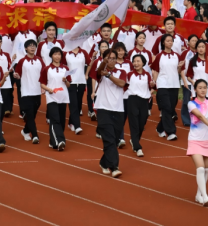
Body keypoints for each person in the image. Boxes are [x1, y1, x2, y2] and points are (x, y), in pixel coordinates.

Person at [90, 48, 128, 178]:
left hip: (118, 110)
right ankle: (114, 167)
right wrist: (103, 63)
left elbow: (121, 83)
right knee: (109, 139)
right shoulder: (101, 71)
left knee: (115, 140)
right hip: (103, 109)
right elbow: (99, 72)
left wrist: (109, 76)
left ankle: (103, 162)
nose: (111, 61)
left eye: (113, 58)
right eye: (109, 58)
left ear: (116, 60)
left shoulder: (121, 72)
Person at [187, 79, 208, 206]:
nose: (203, 90)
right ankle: (205, 196)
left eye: (205, 87)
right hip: (195, 139)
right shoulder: (191, 104)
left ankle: (199, 195)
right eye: (200, 87)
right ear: (195, 89)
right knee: (200, 168)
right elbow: (199, 116)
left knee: (205, 170)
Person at [150, 34, 183, 141]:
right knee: (166, 107)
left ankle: (160, 128)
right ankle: (171, 132)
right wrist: (154, 83)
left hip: (174, 85)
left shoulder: (177, 55)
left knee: (171, 109)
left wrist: (179, 67)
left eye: (171, 41)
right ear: (163, 42)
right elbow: (156, 70)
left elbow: (178, 71)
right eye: (167, 41)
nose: (169, 42)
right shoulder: (159, 56)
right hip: (162, 85)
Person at [39, 47, 71, 151]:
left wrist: (65, 80)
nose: (57, 56)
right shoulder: (47, 69)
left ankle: (53, 142)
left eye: (59, 54)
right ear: (51, 56)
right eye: (55, 54)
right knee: (55, 119)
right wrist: (49, 89)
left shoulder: (66, 69)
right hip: (52, 97)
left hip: (63, 97)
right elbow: (42, 84)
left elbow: (69, 85)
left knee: (61, 120)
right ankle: (60, 141)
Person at [14, 39, 45, 144]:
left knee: (34, 113)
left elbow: (44, 73)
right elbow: (17, 73)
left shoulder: (39, 60)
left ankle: (25, 130)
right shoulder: (22, 61)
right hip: (26, 91)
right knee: (30, 114)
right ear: (26, 48)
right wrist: (16, 75)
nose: (32, 47)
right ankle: (35, 135)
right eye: (30, 46)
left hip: (37, 91)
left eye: (34, 46)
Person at [126, 54, 153, 157]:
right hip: (132, 99)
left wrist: (152, 85)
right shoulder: (129, 74)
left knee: (142, 123)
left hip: (144, 101)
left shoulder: (147, 75)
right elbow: (124, 86)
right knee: (134, 124)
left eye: (138, 61)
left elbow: (151, 86)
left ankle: (134, 140)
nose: (136, 63)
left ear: (143, 63)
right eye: (134, 61)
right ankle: (137, 147)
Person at [63, 44, 90, 134]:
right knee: (73, 103)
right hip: (71, 82)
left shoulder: (83, 52)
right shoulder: (66, 53)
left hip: (81, 81)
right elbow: (62, 66)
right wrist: (66, 76)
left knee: (78, 104)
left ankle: (71, 122)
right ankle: (77, 126)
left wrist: (86, 74)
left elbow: (90, 63)